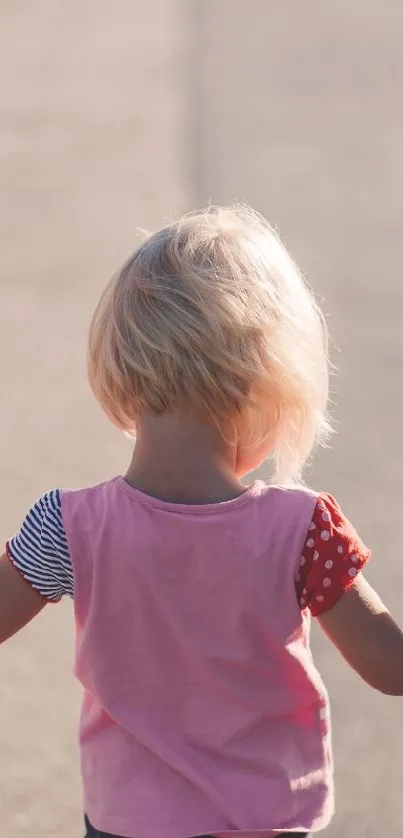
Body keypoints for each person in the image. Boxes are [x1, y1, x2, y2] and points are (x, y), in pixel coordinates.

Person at [1, 206, 403, 838]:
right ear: (265, 382)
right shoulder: (304, 532)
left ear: (121, 364)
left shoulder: (70, 526)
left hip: (126, 824)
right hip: (265, 820)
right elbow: (390, 666)